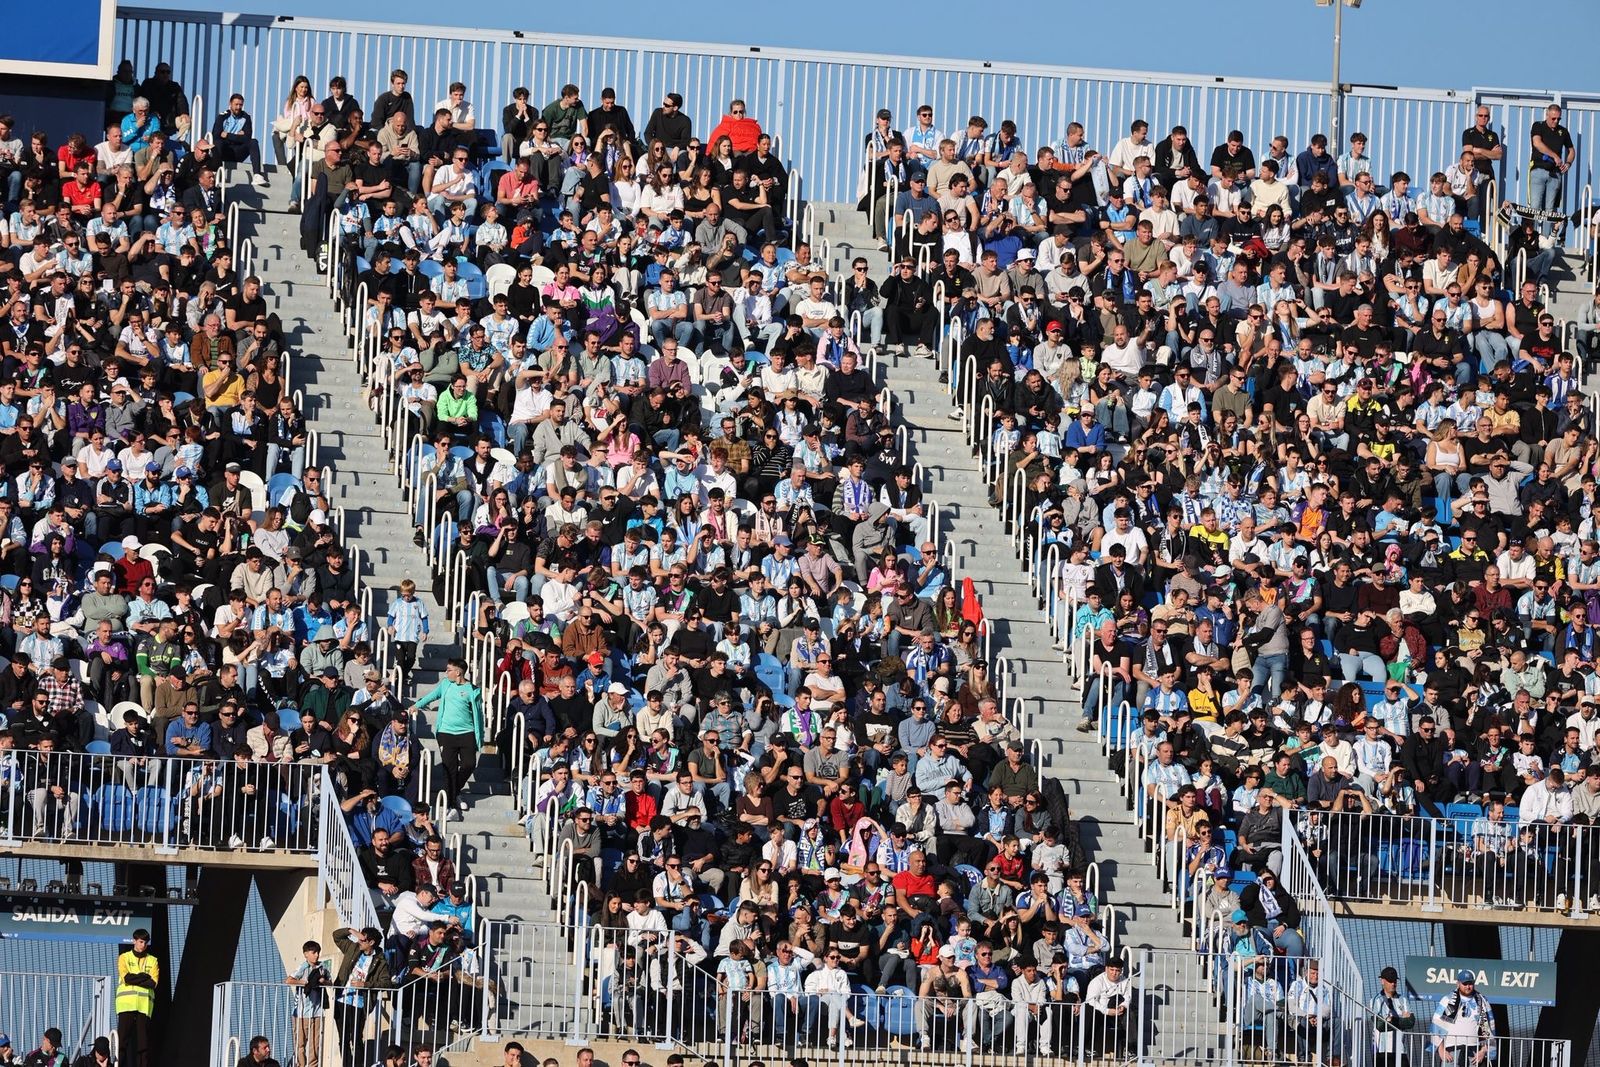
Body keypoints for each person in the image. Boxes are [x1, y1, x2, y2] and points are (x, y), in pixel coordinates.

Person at [411, 657, 483, 819]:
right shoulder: (445, 684)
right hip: (446, 732)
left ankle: (455, 792)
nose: (446, 672)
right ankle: (450, 806)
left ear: (458, 672)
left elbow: (479, 714)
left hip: (467, 732)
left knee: (469, 764)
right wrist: (417, 705)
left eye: (449, 669)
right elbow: (432, 696)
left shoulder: (472, 689)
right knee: (449, 768)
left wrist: (480, 736)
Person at [115, 927, 159, 1067]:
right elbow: (126, 978)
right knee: (122, 1041)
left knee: (143, 1044)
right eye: (140, 941)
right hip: (126, 1004)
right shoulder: (124, 957)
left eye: (145, 942)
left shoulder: (153, 960)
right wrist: (143, 976)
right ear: (134, 941)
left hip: (144, 1007)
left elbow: (153, 983)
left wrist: (136, 978)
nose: (143, 945)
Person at [1371, 965, 1416, 1067]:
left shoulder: (1403, 1000)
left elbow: (1411, 1022)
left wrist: (1390, 1019)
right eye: (1390, 981)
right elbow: (1379, 1025)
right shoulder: (1376, 1000)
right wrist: (1401, 1020)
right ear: (1382, 981)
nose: (1393, 983)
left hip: (1401, 1049)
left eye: (1395, 981)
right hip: (1381, 1050)